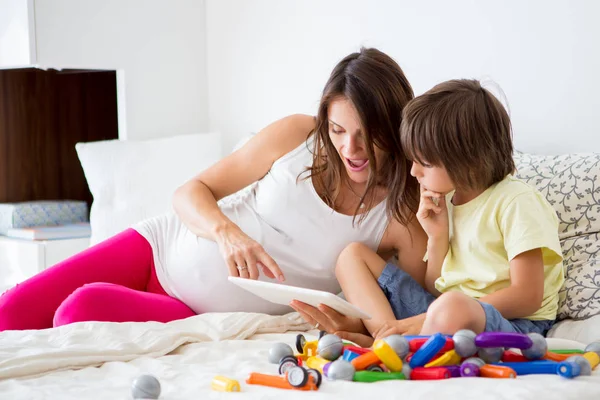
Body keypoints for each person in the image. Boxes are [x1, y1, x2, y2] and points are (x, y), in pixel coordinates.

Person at [0, 47, 427, 332]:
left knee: (78, 311)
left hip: (199, 311)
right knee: (11, 311)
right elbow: (191, 191)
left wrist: (350, 326)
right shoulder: (299, 135)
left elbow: (407, 311)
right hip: (160, 246)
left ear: (392, 126)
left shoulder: (398, 216)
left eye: (366, 134)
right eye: (337, 129)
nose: (349, 148)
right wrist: (227, 232)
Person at [331, 79, 565, 346]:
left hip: (511, 323)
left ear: (468, 161)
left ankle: (403, 342)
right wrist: (438, 235)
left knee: (453, 307)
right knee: (351, 257)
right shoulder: (448, 199)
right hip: (442, 313)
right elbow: (434, 288)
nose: (414, 172)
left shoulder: (515, 201)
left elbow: (527, 296)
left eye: (425, 163)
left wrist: (427, 317)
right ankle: (386, 339)